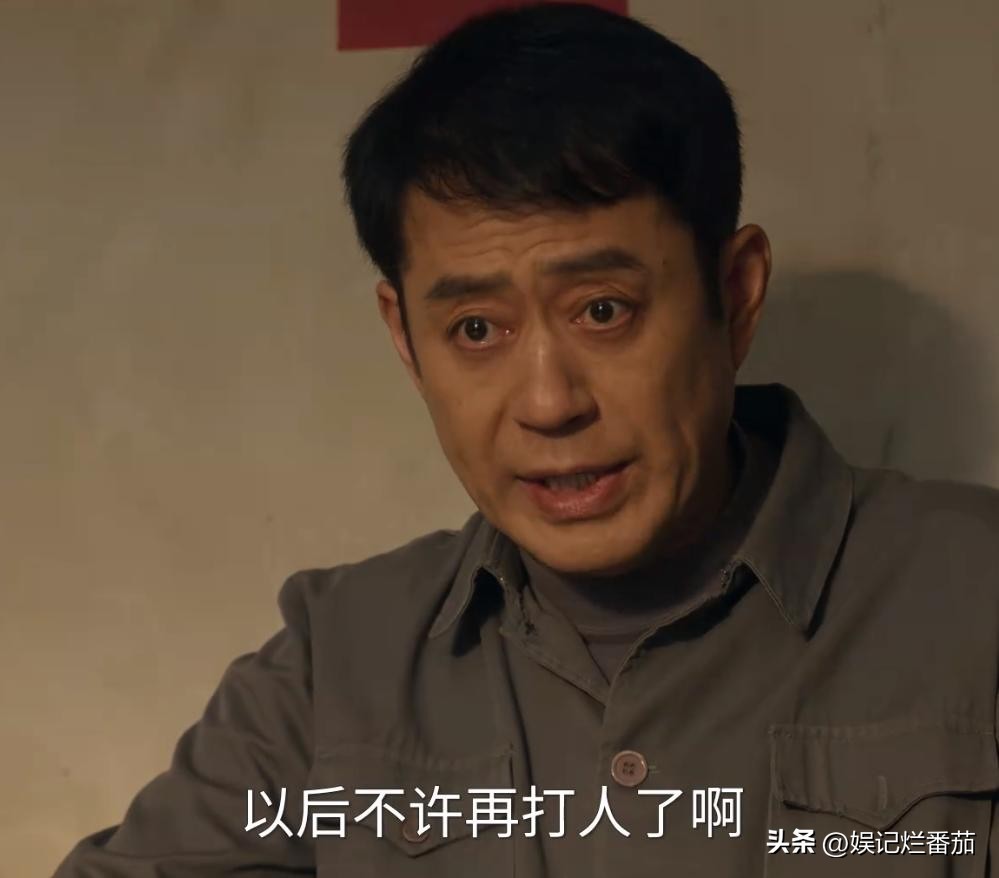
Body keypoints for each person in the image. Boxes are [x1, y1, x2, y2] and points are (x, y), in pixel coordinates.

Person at [53, 2, 999, 876]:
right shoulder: (333, 665)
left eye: (602, 309)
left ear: (735, 296)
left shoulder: (973, 599)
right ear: (405, 339)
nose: (547, 403)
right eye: (476, 329)